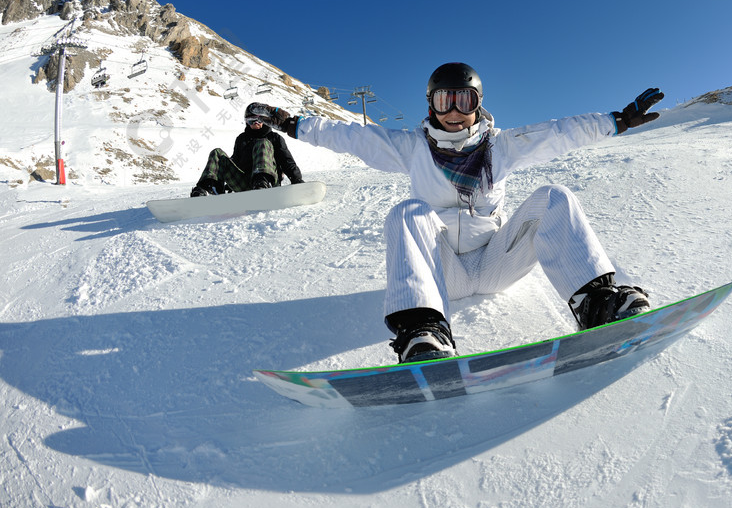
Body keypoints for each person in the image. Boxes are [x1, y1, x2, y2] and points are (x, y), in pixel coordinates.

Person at [250, 63, 663, 363]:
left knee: (552, 197)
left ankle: (597, 302)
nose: (453, 111)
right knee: (408, 212)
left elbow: (558, 133)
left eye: (462, 100)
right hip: (442, 272)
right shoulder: (412, 148)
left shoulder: (500, 146)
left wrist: (616, 121)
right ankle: (423, 332)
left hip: (496, 262)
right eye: (443, 99)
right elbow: (353, 137)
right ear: (430, 105)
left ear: (477, 104)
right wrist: (292, 123)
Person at [190, 102, 304, 197]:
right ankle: (208, 188)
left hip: (269, 183)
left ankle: (262, 182)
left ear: (265, 120)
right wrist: (228, 184)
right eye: (251, 121)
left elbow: (287, 161)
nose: (256, 124)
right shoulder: (242, 139)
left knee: (262, 143)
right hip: (245, 183)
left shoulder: (274, 138)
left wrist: (297, 180)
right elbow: (235, 161)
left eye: (259, 120)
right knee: (217, 153)